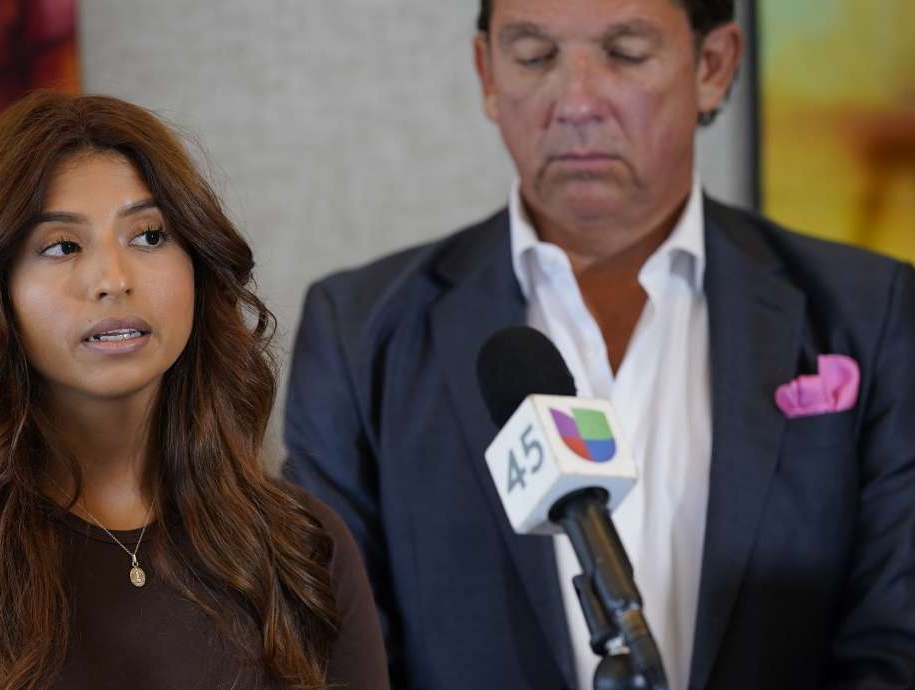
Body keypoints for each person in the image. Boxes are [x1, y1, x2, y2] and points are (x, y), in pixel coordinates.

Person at [284, 1, 915, 689]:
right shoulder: (359, 330)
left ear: (713, 65)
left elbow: (895, 640)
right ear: (487, 74)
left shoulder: (869, 312)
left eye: (625, 53)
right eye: (534, 57)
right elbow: (334, 657)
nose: (576, 101)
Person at [0, 91, 389, 690]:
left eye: (150, 236)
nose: (113, 279)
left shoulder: (305, 546)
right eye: (62, 247)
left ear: (198, 266)